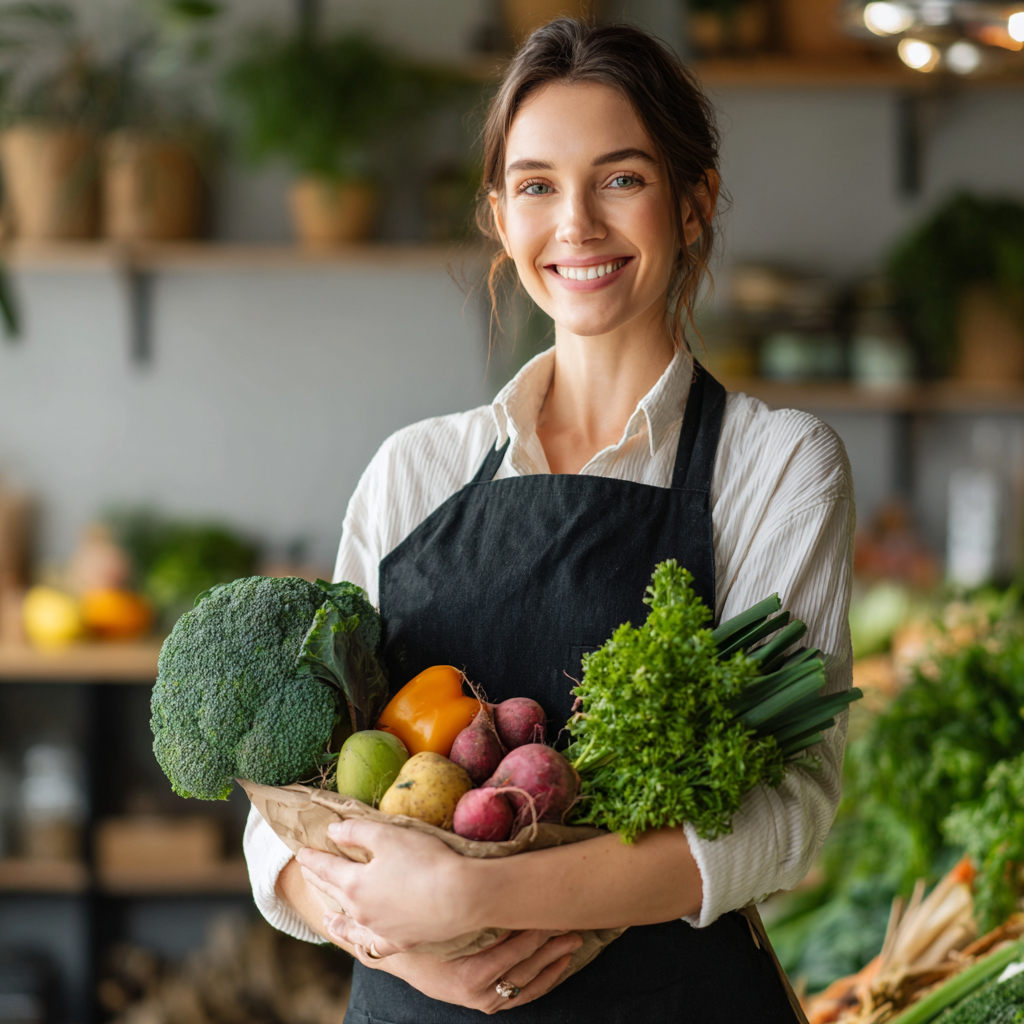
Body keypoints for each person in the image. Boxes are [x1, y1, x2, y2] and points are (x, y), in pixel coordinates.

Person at [244, 18, 854, 1023]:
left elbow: (781, 820)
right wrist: (388, 940)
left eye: (619, 178)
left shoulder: (775, 465)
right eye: (534, 185)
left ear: (692, 202)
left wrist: (475, 896)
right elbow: (288, 797)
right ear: (498, 214)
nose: (574, 223)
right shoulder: (414, 471)